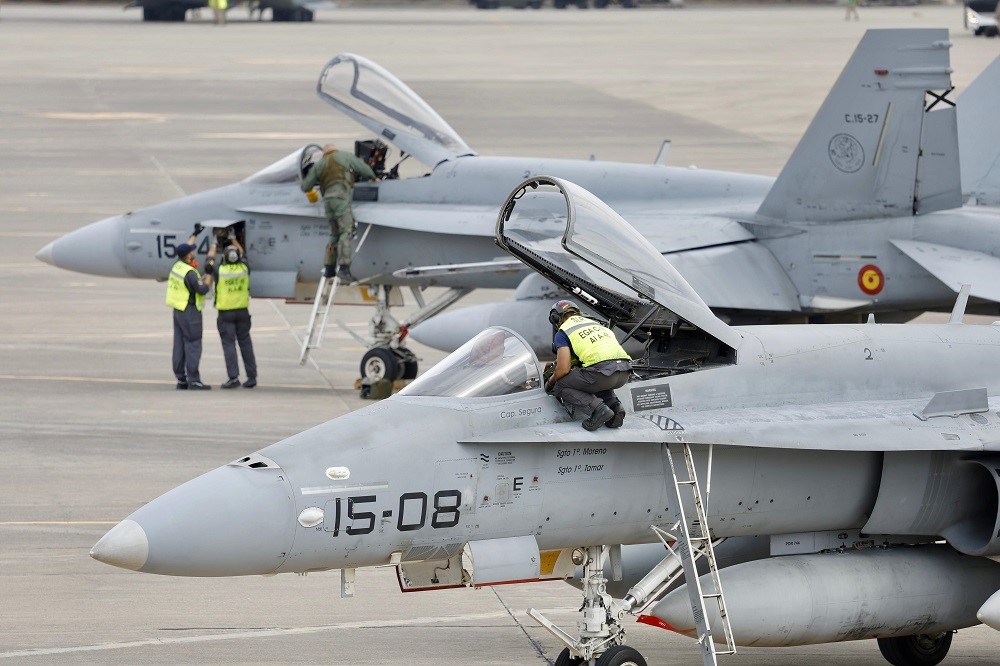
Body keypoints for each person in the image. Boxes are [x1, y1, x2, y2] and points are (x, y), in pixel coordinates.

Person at [544, 300, 631, 431]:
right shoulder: (597, 325)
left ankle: (598, 410)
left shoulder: (563, 332)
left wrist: (550, 382)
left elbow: (563, 369)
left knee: (560, 384)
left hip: (603, 374)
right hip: (624, 372)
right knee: (591, 378)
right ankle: (615, 407)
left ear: (555, 318)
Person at [300, 144, 377, 284]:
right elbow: (363, 168)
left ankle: (329, 268)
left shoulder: (320, 164)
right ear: (336, 149)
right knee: (346, 231)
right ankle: (344, 268)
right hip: (340, 198)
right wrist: (373, 177)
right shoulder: (345, 156)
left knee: (334, 234)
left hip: (327, 202)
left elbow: (305, 186)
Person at [167, 226, 216, 390]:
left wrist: (195, 234)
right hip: (190, 312)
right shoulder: (190, 273)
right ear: (188, 256)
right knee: (193, 343)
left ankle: (181, 379)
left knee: (179, 344)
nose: (193, 252)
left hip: (178, 311)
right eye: (191, 251)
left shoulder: (177, 266)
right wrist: (209, 273)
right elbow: (202, 289)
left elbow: (186, 246)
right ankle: (194, 380)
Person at [213, 236, 257, 389]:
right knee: (246, 344)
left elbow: (209, 261)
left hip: (226, 313)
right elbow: (242, 253)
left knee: (229, 345)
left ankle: (233, 377)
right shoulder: (244, 268)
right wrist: (234, 239)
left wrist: (214, 243)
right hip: (242, 312)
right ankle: (252, 377)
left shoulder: (220, 270)